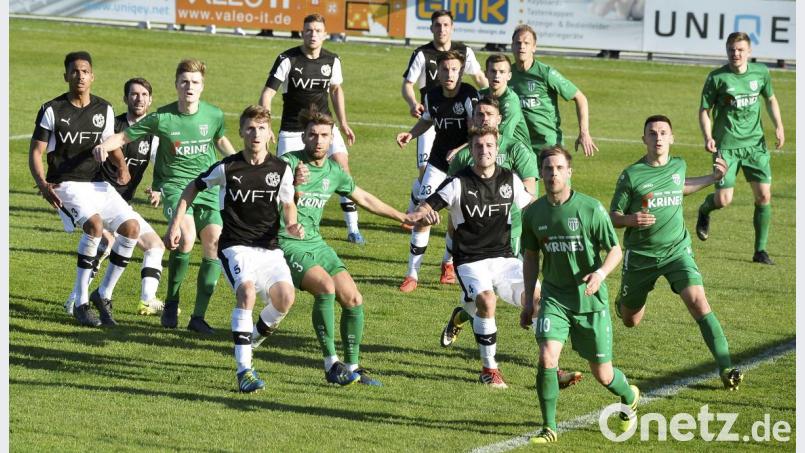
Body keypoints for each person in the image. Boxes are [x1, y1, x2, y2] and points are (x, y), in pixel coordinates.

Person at [269, 107, 415, 386]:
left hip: (316, 242)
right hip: (287, 242)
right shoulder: (287, 163)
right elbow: (268, 199)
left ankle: (353, 366)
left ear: (332, 136)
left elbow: (363, 197)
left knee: (353, 298)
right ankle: (331, 364)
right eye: (313, 135)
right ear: (304, 136)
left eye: (324, 135)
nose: (318, 140)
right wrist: (293, 187)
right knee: (325, 288)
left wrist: (402, 216)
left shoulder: (334, 171)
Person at [166, 105, 302, 393]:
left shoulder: (281, 169)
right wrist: (175, 224)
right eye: (250, 128)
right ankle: (244, 370)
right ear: (241, 132)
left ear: (270, 134)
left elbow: (288, 203)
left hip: (270, 248)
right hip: (235, 247)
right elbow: (193, 186)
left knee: (286, 299)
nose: (255, 133)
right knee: (247, 292)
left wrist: (291, 225)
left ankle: (248, 340)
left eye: (261, 128)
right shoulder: (228, 167)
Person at [94, 58, 236, 334]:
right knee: (185, 237)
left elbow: (220, 142)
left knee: (214, 245)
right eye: (184, 82)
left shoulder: (214, 115)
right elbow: (123, 137)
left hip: (207, 187)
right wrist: (103, 146)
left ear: (202, 86)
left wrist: (245, 163)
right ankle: (171, 302)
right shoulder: (162, 117)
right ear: (176, 85)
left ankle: (198, 317)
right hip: (174, 187)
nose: (189, 87)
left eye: (195, 82)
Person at [610, 115, 744, 391]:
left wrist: (713, 177)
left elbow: (679, 187)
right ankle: (622, 301)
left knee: (698, 301)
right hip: (642, 256)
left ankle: (726, 367)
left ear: (672, 138)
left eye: (663, 133)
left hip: (676, 251)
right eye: (652, 133)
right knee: (630, 320)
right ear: (644, 139)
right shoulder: (631, 174)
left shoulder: (679, 166)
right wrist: (631, 220)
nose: (658, 138)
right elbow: (613, 216)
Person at [520, 146, 639, 444]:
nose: (553, 174)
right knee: (547, 358)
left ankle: (629, 396)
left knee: (603, 374)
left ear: (569, 172)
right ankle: (549, 428)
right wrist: (527, 300)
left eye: (559, 168)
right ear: (541, 172)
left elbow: (615, 250)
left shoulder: (590, 209)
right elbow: (532, 256)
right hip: (554, 298)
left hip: (589, 301)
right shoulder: (533, 213)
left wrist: (599, 274)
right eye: (548, 169)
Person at [411, 126, 535, 388]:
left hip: (504, 258)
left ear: (496, 147)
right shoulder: (458, 182)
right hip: (469, 260)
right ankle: (489, 370)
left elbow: (532, 207)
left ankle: (550, 365)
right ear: (471, 149)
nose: (484, 151)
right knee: (486, 301)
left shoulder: (510, 179)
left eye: (489, 146)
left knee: (537, 297)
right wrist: (422, 215)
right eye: (478, 146)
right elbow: (425, 206)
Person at [29, 51, 140, 327]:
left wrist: (123, 166)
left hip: (98, 184)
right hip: (65, 183)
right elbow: (36, 152)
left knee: (132, 229)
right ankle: (81, 302)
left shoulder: (104, 109)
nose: (80, 76)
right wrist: (43, 185)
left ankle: (103, 295)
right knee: (94, 225)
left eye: (85, 71)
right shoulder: (52, 109)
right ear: (66, 75)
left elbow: (109, 144)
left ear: (93, 76)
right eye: (75, 71)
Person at [259, 14, 364, 244]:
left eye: (317, 30)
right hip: (293, 130)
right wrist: (266, 126)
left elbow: (336, 90)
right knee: (287, 181)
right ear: (302, 33)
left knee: (343, 169)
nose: (313, 34)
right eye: (309, 30)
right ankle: (280, 228)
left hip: (324, 127)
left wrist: (343, 122)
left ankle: (353, 228)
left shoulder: (332, 60)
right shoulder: (287, 59)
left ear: (325, 34)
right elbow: (267, 95)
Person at [66, 77, 166, 317]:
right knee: (105, 244)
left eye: (143, 95)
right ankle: (76, 300)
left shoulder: (153, 135)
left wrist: (158, 188)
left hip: (123, 207)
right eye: (133, 94)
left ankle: (146, 299)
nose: (139, 99)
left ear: (150, 100)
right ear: (125, 99)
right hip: (99, 202)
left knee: (155, 246)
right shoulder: (114, 128)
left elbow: (160, 167)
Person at [695, 31, 785, 265]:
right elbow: (704, 110)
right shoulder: (717, 78)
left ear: (749, 52)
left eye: (740, 50)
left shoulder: (761, 72)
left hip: (755, 145)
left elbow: (770, 98)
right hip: (726, 147)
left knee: (764, 196)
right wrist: (707, 136)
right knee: (723, 200)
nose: (736, 54)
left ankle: (760, 251)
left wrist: (779, 126)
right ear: (727, 51)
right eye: (731, 50)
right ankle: (704, 210)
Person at [401, 9, 488, 243]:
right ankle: (419, 204)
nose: (441, 29)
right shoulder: (422, 53)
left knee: (457, 197)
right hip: (433, 118)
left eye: (446, 25)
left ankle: (446, 255)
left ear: (452, 28)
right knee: (425, 173)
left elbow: (479, 77)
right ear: (431, 28)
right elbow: (408, 84)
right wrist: (413, 104)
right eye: (437, 25)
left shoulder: (464, 53)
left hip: (460, 130)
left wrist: (489, 97)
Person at [396, 50, 479, 293]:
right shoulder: (432, 95)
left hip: (463, 165)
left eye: (454, 69)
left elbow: (476, 130)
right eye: (445, 69)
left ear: (461, 72)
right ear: (438, 72)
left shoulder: (469, 95)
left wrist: (461, 149)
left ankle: (448, 264)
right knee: (423, 214)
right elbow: (428, 120)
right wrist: (410, 134)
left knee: (457, 220)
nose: (450, 74)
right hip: (438, 163)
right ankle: (412, 274)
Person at [510, 24, 598, 157]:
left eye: (527, 43)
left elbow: (580, 98)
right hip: (520, 144)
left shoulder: (546, 73)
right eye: (518, 42)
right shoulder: (506, 74)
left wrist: (584, 132)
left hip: (548, 143)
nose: (522, 46)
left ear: (534, 47)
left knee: (557, 177)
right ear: (512, 46)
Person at [479, 54, 531, 147]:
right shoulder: (480, 95)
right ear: (486, 74)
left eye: (502, 72)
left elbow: (501, 137)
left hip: (517, 154)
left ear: (509, 76)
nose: (497, 76)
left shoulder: (511, 102)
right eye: (493, 71)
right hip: (492, 148)